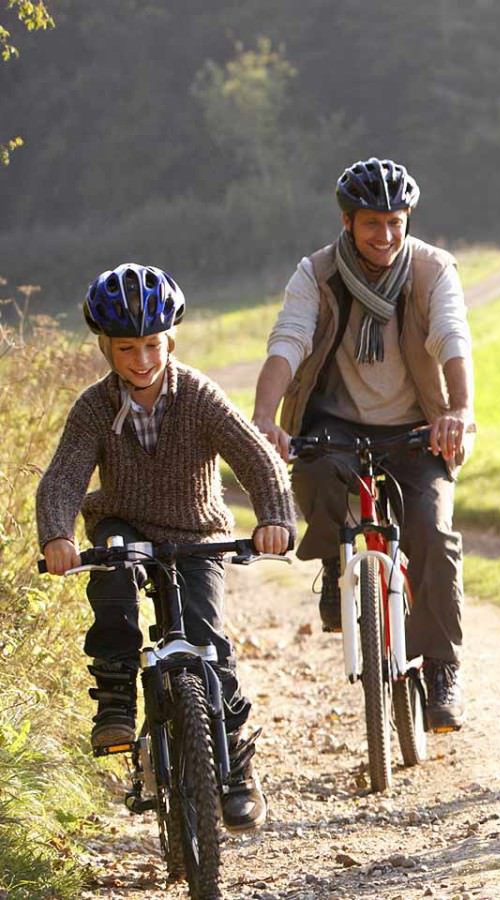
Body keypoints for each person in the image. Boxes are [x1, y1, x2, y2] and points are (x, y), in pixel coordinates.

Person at [37, 263, 295, 831]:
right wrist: (57, 535)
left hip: (195, 531)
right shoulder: (94, 407)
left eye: (152, 345)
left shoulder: (198, 394)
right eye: (126, 348)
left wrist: (275, 515)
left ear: (169, 341)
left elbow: (254, 453)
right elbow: (64, 476)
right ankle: (115, 701)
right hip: (124, 525)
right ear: (106, 347)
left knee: (209, 643)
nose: (142, 360)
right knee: (112, 578)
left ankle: (234, 772)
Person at [251, 157, 473, 732]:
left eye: (396, 221)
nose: (387, 235)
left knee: (433, 532)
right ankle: (334, 561)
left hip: (417, 424)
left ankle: (442, 667)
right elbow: (289, 340)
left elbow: (451, 335)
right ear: (347, 222)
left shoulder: (432, 269)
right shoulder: (317, 273)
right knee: (318, 474)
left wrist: (459, 408)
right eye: (373, 223)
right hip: (338, 423)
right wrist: (263, 416)